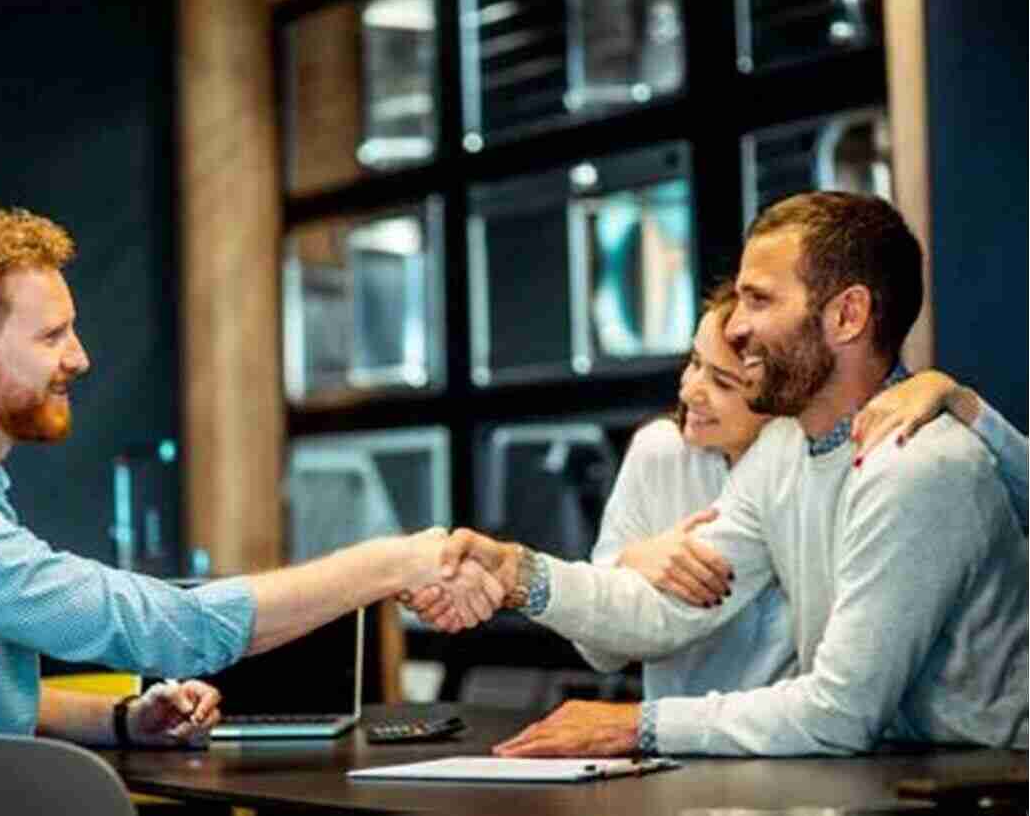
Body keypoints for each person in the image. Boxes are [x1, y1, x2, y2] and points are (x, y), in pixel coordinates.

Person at [0, 204, 497, 816]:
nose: (81, 357)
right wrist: (389, 562)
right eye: (51, 335)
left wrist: (122, 717)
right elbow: (173, 629)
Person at [425, 191, 1028, 756]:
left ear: (848, 316)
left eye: (760, 299)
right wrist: (518, 574)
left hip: (984, 782)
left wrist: (639, 723)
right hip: (888, 773)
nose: (735, 327)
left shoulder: (919, 464)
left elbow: (842, 711)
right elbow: (665, 609)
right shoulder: (783, 451)